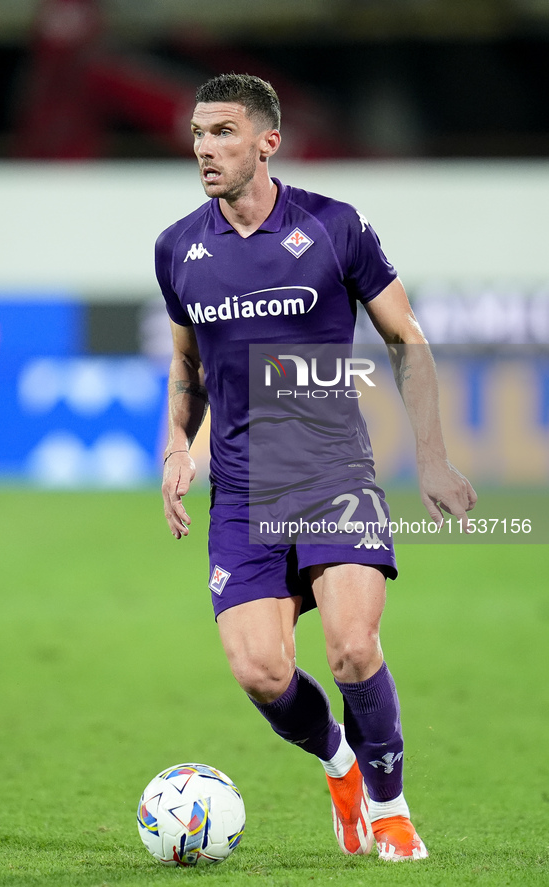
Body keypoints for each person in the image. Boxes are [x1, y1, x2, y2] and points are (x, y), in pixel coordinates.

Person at [157, 73, 476, 862]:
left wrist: (432, 459)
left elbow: (407, 340)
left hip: (334, 475)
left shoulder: (334, 227)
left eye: (224, 132)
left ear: (268, 141)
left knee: (351, 649)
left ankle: (391, 806)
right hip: (242, 491)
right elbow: (186, 366)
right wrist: (176, 446)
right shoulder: (177, 249)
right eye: (199, 133)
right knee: (264, 673)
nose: (205, 148)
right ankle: (338, 762)